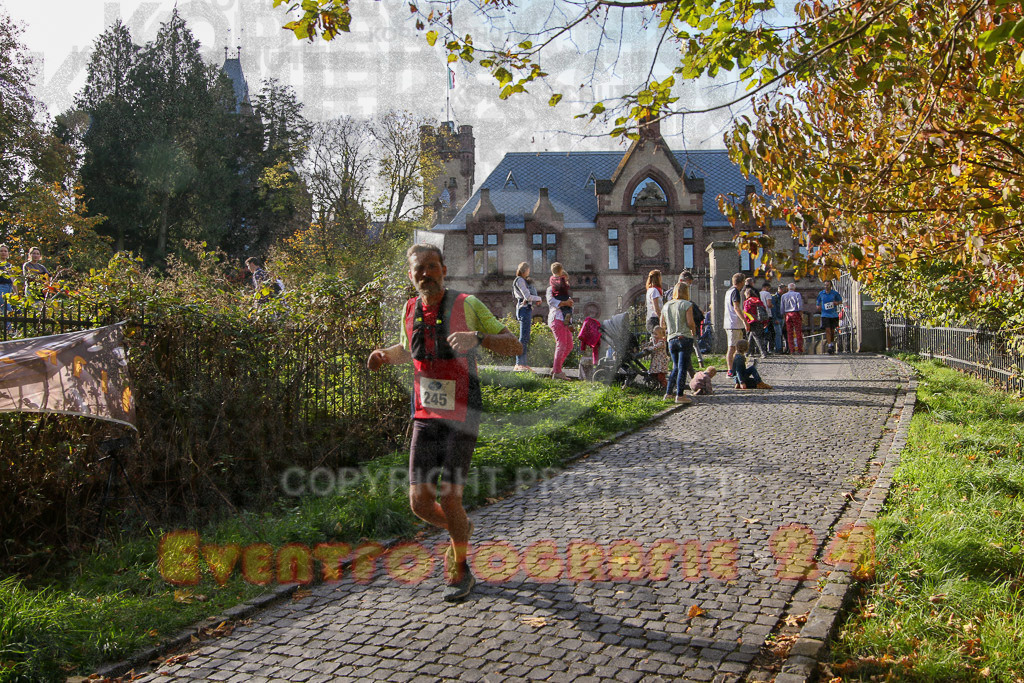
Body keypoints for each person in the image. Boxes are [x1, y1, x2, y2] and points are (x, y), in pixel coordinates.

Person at [366, 244, 521, 602]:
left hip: (463, 415)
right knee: (420, 503)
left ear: (443, 270)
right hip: (425, 415)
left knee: (450, 497)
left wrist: (478, 338)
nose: (426, 274)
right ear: (411, 275)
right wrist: (384, 357)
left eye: (432, 267)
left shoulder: (467, 304)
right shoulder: (409, 308)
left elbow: (514, 346)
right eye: (419, 269)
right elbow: (409, 349)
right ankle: (461, 528)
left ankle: (461, 568)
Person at [659, 282, 696, 404]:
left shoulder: (666, 305)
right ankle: (680, 395)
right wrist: (694, 331)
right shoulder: (686, 304)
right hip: (684, 337)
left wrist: (666, 334)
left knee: (675, 367)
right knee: (682, 367)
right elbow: (690, 322)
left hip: (671, 339)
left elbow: (662, 324)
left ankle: (669, 393)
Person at [511, 262, 542, 371]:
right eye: (528, 270)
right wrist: (538, 298)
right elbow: (527, 296)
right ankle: (519, 363)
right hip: (523, 309)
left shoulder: (523, 280)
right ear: (525, 270)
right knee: (523, 337)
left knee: (525, 337)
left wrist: (533, 299)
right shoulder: (519, 280)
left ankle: (523, 363)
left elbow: (528, 297)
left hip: (526, 309)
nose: (529, 272)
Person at [547, 277, 574, 380]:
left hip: (565, 321)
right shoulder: (551, 289)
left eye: (567, 280)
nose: (567, 283)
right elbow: (551, 301)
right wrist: (565, 303)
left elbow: (569, 310)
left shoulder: (566, 292)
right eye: (565, 280)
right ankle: (557, 372)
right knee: (561, 344)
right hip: (557, 319)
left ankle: (556, 368)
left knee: (569, 345)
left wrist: (570, 323)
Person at [678, 271, 705, 370]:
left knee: (692, 345)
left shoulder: (686, 296)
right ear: (681, 281)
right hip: (681, 326)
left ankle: (699, 362)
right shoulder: (675, 293)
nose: (689, 286)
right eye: (688, 283)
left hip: (685, 325)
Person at [724, 272, 748, 379]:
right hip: (734, 323)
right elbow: (736, 307)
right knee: (733, 347)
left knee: (733, 347)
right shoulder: (735, 292)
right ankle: (730, 370)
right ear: (742, 282)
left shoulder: (728, 291)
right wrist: (744, 321)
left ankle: (735, 368)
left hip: (730, 322)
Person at [816, 280, 843, 354]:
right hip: (825, 314)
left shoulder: (834, 293)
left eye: (827, 285)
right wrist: (818, 306)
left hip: (833, 314)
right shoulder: (821, 293)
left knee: (832, 331)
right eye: (825, 285)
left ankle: (832, 343)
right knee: (827, 330)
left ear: (830, 286)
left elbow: (840, 301)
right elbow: (818, 301)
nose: (826, 287)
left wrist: (836, 303)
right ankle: (829, 345)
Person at [742, 287, 769, 358]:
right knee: (752, 336)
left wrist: (747, 322)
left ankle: (763, 353)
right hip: (760, 321)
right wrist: (765, 322)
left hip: (752, 321)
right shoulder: (758, 301)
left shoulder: (747, 302)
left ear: (747, 294)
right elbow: (764, 311)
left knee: (757, 337)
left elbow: (746, 313)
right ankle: (747, 352)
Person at [780, 283, 805, 354]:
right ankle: (800, 349)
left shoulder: (783, 296)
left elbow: (782, 308)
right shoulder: (797, 294)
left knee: (789, 333)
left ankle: (792, 350)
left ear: (788, 288)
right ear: (794, 288)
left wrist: (784, 315)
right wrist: (801, 315)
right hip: (795, 313)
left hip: (788, 314)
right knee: (798, 332)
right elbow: (799, 306)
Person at [549, 262, 573, 327]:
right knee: (568, 309)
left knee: (564, 309)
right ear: (560, 271)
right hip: (563, 296)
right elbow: (564, 287)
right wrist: (567, 284)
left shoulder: (551, 278)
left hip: (556, 296)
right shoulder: (561, 279)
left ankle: (568, 322)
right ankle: (568, 322)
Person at [645, 325, 669, 391]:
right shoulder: (656, 341)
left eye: (656, 334)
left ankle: (665, 386)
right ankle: (657, 385)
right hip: (656, 361)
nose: (654, 335)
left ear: (661, 335)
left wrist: (648, 348)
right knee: (655, 374)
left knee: (661, 375)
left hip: (660, 362)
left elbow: (655, 347)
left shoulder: (661, 342)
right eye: (653, 334)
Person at [644, 269, 664, 333]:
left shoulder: (650, 290)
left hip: (651, 318)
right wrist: (662, 320)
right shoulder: (654, 291)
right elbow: (656, 308)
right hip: (655, 319)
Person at [760, 283, 776, 351]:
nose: (769, 290)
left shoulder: (758, 293)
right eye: (769, 288)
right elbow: (769, 304)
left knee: (761, 333)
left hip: (760, 315)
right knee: (771, 332)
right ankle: (770, 348)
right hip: (767, 315)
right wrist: (773, 306)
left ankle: (762, 348)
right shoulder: (767, 294)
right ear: (766, 287)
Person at [0, 244, 15, 311]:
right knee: (6, 307)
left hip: (9, 287)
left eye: (5, 251)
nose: (3, 253)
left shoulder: (9, 265)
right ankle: (8, 321)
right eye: (1, 251)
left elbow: (13, 279)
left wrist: (16, 291)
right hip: (1, 286)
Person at [772, 284, 787, 353]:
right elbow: (773, 309)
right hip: (777, 318)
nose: (785, 291)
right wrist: (775, 319)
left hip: (782, 318)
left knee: (780, 334)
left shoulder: (783, 297)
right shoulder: (774, 298)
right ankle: (778, 349)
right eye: (784, 290)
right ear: (780, 289)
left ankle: (780, 348)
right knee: (778, 334)